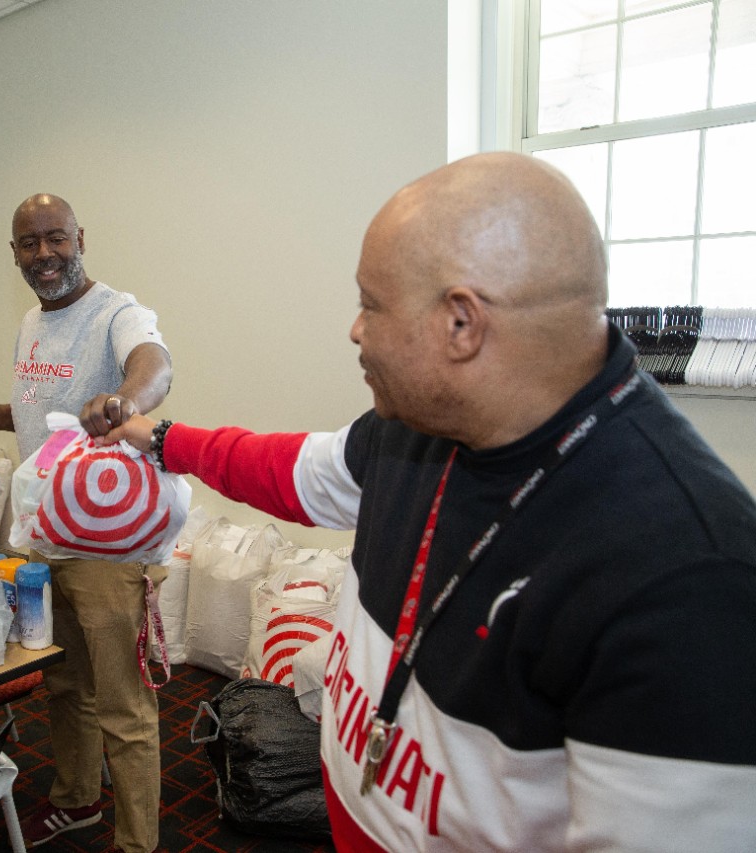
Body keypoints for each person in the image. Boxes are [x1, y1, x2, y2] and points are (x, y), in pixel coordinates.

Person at [100, 152, 756, 851]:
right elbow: (293, 470)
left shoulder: (690, 581)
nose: (355, 330)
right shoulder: (415, 424)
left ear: (461, 324)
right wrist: (163, 438)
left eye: (371, 305)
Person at [0, 193, 173, 853]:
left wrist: (125, 399)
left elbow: (155, 366)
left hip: (104, 544)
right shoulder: (30, 324)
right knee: (65, 683)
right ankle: (78, 801)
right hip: (43, 538)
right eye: (28, 243)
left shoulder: (116, 313)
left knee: (124, 705)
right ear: (14, 253)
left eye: (56, 238)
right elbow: (38, 412)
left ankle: (138, 842)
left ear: (80, 238)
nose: (44, 254)